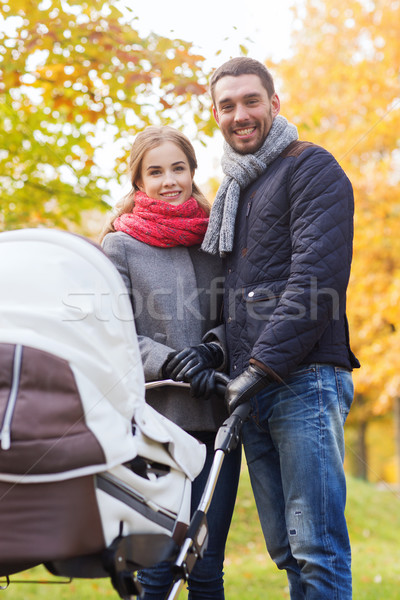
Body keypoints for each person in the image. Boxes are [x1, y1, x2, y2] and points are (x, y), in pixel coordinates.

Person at [201, 57, 360, 599]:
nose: (240, 114)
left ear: (275, 103)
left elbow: (317, 280)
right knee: (289, 553)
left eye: (251, 101)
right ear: (215, 115)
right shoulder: (234, 192)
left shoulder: (309, 167)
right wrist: (222, 358)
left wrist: (262, 367)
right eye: (227, 105)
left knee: (318, 550)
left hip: (304, 382)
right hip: (254, 392)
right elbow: (236, 302)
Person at [100, 125, 241, 600]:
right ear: (138, 181)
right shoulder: (119, 245)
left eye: (177, 168)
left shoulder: (216, 238)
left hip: (215, 422)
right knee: (158, 564)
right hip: (152, 427)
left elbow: (237, 316)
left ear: (193, 171)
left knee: (206, 565)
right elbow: (112, 334)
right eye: (155, 171)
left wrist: (212, 349)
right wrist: (171, 363)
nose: (169, 180)